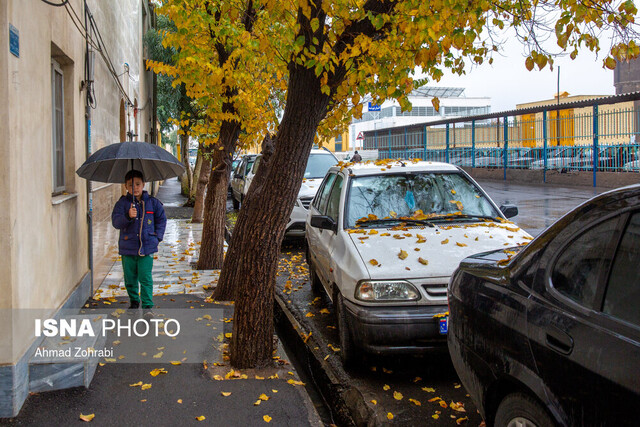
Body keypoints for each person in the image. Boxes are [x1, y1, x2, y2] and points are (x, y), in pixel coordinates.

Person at [111, 170, 166, 311]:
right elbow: (116, 222)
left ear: (143, 184)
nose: (134, 188)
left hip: (146, 248)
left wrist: (157, 237)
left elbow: (161, 220)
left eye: (137, 184)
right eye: (130, 185)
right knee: (130, 278)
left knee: (145, 277)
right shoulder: (122, 204)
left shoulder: (152, 203)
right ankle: (134, 300)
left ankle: (147, 304)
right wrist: (128, 216)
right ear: (125, 186)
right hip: (127, 248)